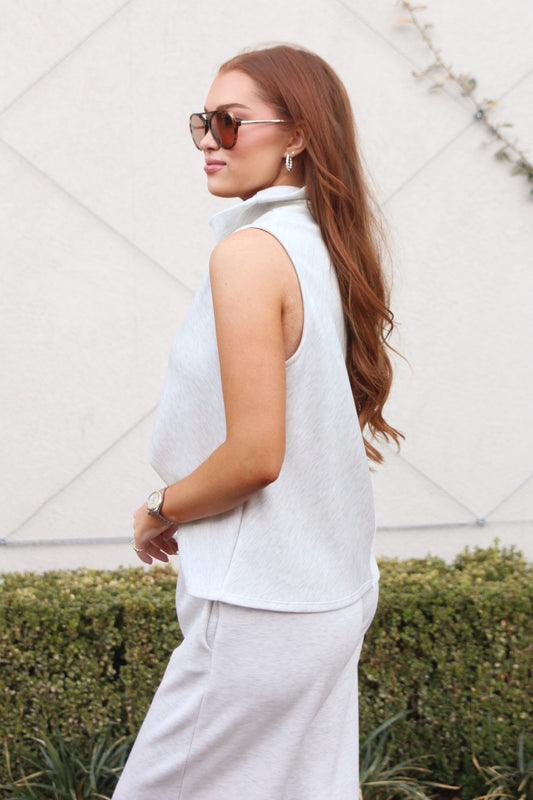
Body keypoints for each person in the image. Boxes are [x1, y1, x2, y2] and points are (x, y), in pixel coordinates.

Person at [112, 44, 402, 800]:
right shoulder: (325, 245)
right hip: (328, 591)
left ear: (297, 134)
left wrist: (159, 508)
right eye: (202, 122)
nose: (209, 141)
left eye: (230, 122)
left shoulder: (250, 254)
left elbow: (254, 457)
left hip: (261, 604)